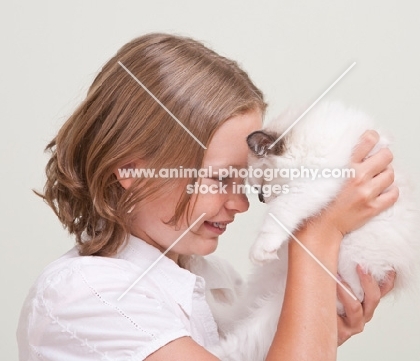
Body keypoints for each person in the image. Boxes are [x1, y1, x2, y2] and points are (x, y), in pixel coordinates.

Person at [17, 33, 398, 361]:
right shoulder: (84, 295)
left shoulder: (218, 282)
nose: (242, 203)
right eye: (220, 179)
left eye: (244, 182)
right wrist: (319, 232)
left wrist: (321, 330)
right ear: (131, 171)